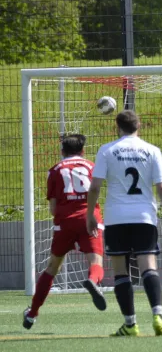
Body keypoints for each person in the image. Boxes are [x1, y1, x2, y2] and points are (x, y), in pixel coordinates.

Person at [86, 109, 162, 337]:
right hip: (144, 217)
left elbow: (95, 186)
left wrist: (90, 215)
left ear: (117, 127)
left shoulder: (107, 150)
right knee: (148, 267)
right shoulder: (152, 151)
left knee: (120, 272)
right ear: (140, 125)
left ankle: (130, 324)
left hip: (117, 219)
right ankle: (158, 316)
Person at [23, 134, 106, 330]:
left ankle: (32, 314)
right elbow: (95, 190)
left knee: (52, 267)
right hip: (89, 218)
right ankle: (93, 281)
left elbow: (52, 207)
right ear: (83, 151)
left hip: (64, 222)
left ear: (62, 152)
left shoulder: (54, 171)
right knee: (96, 261)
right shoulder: (91, 166)